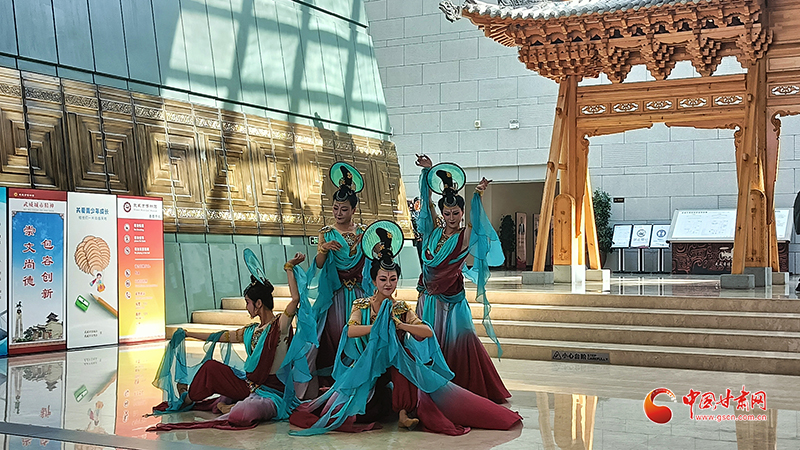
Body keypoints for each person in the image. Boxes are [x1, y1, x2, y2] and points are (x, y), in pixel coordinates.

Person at [289, 221, 522, 436]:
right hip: (367, 365)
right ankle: (383, 406)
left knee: (405, 359)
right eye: (383, 279)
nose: (388, 284)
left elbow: (427, 332)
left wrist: (401, 325)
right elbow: (350, 331)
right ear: (373, 281)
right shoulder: (361, 304)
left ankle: (403, 413)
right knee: (348, 411)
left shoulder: (399, 308)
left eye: (392, 279)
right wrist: (377, 327)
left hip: (393, 365)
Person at [148, 252, 311, 431]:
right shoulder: (250, 331)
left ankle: (229, 406)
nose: (246, 307)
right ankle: (187, 398)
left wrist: (289, 268)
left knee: (243, 414)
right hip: (249, 386)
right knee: (210, 368)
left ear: (258, 304)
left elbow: (295, 299)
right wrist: (188, 334)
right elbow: (221, 336)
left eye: (247, 302)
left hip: (272, 394)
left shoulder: (279, 326)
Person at [414, 154, 511, 404]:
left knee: (460, 343)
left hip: (452, 302)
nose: (451, 217)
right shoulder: (431, 233)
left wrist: (478, 194)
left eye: (455, 213)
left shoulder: (464, 236)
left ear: (461, 212)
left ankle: (464, 388)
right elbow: (426, 205)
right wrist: (427, 173)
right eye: (447, 213)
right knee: (428, 341)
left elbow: (476, 221)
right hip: (428, 298)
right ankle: (430, 388)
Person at [305, 162, 373, 396]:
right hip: (337, 294)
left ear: (353, 209)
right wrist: (323, 249)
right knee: (335, 333)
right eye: (335, 208)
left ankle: (357, 381)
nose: (338, 213)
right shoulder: (326, 232)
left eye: (344, 209)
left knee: (359, 335)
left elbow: (375, 258)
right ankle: (333, 383)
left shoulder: (363, 232)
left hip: (360, 294)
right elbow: (318, 265)